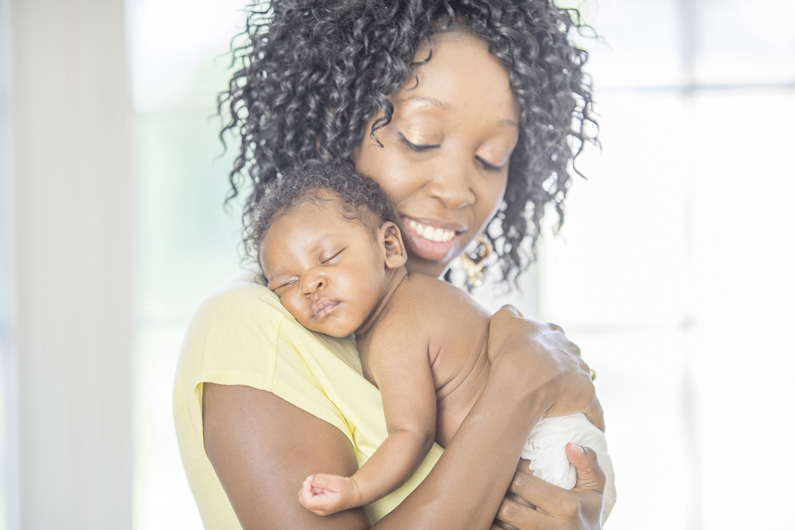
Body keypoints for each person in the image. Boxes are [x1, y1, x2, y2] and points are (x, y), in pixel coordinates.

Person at [174, 1, 607, 529]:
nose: (456, 190)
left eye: (492, 156)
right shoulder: (253, 324)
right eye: (419, 138)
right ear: (331, 126)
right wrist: (518, 388)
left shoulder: (460, 342)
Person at [253, 165, 616, 522]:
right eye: (285, 284)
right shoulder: (424, 297)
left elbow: (412, 433)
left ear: (390, 246)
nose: (309, 285)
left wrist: (356, 489)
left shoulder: (395, 330)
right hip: (571, 451)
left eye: (329, 258)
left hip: (547, 454)